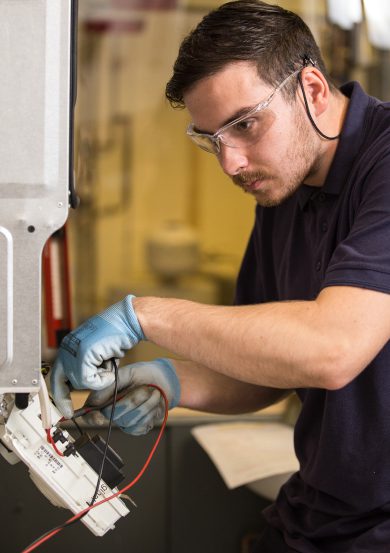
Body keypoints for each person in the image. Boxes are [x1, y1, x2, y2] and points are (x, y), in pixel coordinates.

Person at [51, 1, 390, 551]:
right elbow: (269, 366)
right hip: (320, 513)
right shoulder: (282, 185)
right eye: (211, 138)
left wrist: (145, 316)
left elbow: (331, 349)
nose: (230, 163)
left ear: (313, 89)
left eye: (246, 126)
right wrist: (173, 381)